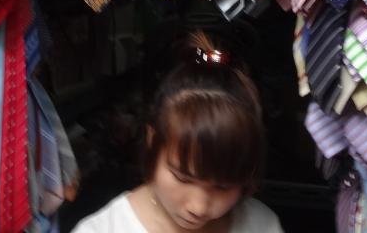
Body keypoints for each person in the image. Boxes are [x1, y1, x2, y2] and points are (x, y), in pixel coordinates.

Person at [73, 32, 284, 233]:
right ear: (153, 140)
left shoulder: (262, 225)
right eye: (182, 178)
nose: (198, 207)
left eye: (223, 187)